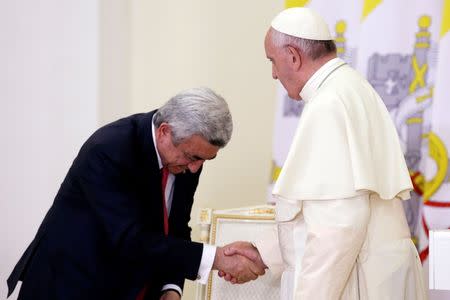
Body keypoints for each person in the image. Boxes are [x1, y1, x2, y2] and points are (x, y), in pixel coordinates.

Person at [223, 7, 428, 300]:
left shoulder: (328, 103)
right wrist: (262, 253)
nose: (273, 73)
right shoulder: (351, 87)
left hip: (358, 280)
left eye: (273, 61)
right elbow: (322, 212)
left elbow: (339, 227)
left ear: (293, 56)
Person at [7, 87, 265, 300]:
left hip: (130, 286)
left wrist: (170, 288)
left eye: (205, 160)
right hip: (71, 286)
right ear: (165, 132)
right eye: (193, 157)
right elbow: (130, 239)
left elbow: (173, 228)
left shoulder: (186, 156)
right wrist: (216, 257)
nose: (195, 168)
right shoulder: (109, 149)